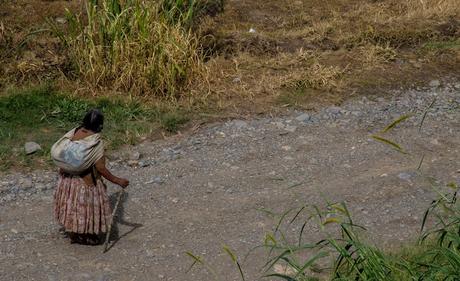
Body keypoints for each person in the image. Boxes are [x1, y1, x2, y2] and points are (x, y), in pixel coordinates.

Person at [53, 109, 129, 245]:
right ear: (100, 125)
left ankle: (74, 233)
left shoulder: (75, 132)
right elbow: (100, 168)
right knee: (86, 209)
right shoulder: (95, 143)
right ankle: (87, 235)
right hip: (85, 182)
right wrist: (118, 180)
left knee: (73, 207)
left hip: (67, 179)